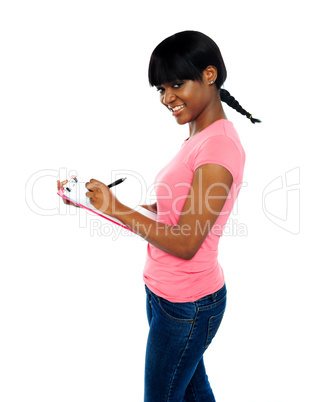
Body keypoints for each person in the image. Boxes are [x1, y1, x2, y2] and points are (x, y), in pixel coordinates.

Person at [57, 30, 260, 401]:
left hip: (188, 306)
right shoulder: (201, 136)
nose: (168, 98)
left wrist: (113, 206)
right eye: (161, 89)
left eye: (177, 84)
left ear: (210, 75)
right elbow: (170, 214)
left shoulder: (218, 148)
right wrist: (96, 203)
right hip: (167, 297)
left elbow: (185, 241)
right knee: (195, 393)